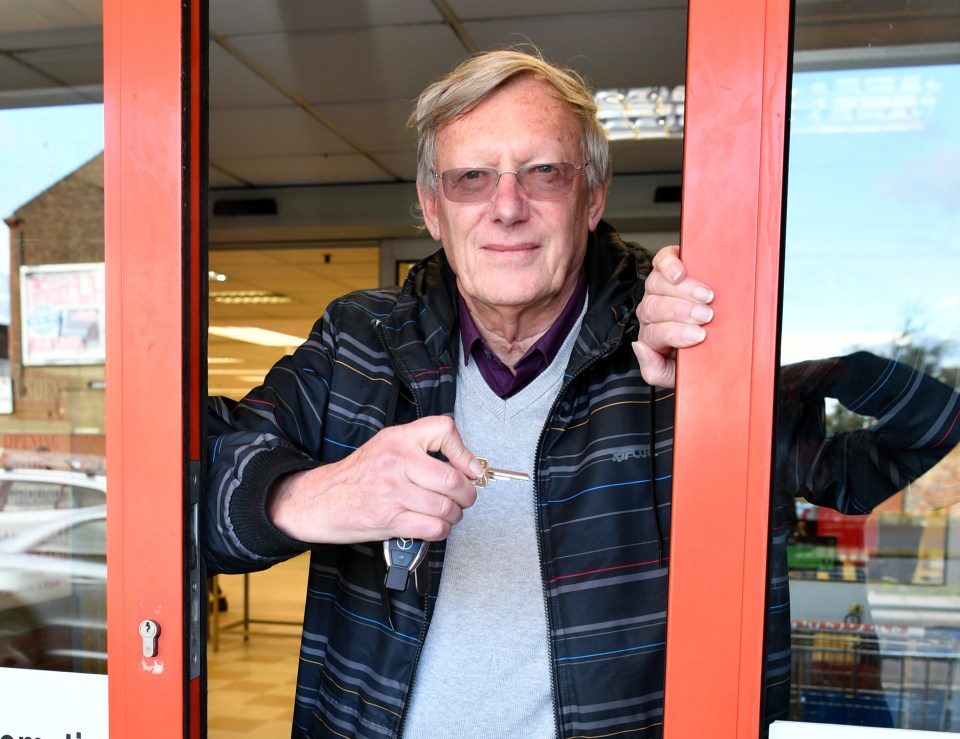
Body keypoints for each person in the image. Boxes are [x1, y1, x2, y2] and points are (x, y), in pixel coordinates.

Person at [204, 48, 960, 738]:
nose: (506, 206)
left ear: (592, 197)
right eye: (472, 178)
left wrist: (747, 356)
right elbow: (178, 484)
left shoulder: (680, 345)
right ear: (433, 209)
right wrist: (303, 497)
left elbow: (916, 432)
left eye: (544, 172)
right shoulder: (359, 344)